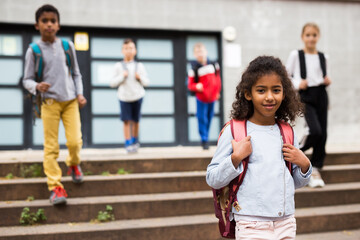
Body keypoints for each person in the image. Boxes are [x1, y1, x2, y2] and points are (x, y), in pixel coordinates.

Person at [206, 56, 312, 240]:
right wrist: (235, 158)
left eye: (276, 90)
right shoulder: (234, 130)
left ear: (284, 93)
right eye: (261, 90)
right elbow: (213, 178)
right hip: (250, 222)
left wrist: (304, 165)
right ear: (248, 94)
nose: (270, 97)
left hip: (285, 222)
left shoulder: (286, 132)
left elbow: (292, 182)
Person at [23, 4, 87, 205]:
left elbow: (76, 73)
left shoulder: (67, 46)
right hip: (49, 103)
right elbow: (26, 79)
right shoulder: (33, 50)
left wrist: (80, 94)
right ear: (37, 25)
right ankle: (55, 187)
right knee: (51, 147)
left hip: (70, 102)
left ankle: (74, 164)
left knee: (75, 142)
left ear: (58, 25)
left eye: (53, 21)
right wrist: (36, 86)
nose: (49, 24)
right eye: (45, 21)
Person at [286, 23, 331, 188]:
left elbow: (323, 75)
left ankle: (317, 168)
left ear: (318, 37)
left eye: (314, 35)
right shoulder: (296, 55)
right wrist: (298, 83)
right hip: (305, 95)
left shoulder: (323, 57)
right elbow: (286, 76)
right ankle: (296, 152)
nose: (311, 38)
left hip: (321, 94)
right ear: (302, 37)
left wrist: (327, 80)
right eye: (308, 35)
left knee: (323, 133)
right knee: (314, 130)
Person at [110, 39, 149, 153]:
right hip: (124, 97)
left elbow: (147, 82)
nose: (129, 51)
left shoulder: (139, 66)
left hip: (137, 96)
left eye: (131, 48)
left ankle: (135, 141)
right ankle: (127, 142)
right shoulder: (118, 66)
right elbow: (112, 83)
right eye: (126, 48)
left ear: (135, 50)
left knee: (136, 120)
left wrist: (139, 78)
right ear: (122, 50)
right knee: (126, 121)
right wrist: (122, 76)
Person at [187, 42, 221, 150]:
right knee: (202, 119)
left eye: (201, 51)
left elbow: (218, 79)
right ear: (194, 55)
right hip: (201, 99)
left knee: (209, 118)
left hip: (212, 98)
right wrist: (197, 86)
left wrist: (218, 92)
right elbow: (190, 85)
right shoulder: (194, 69)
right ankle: (204, 140)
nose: (200, 54)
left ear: (205, 51)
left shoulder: (214, 65)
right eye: (197, 52)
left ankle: (206, 137)